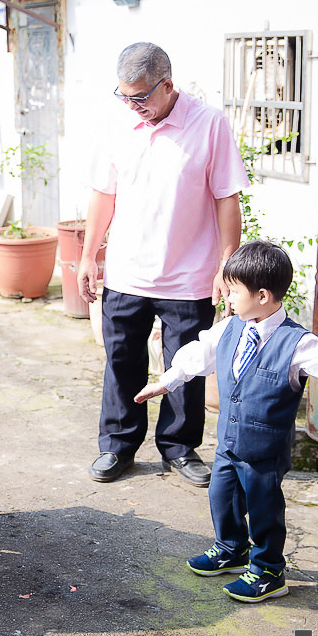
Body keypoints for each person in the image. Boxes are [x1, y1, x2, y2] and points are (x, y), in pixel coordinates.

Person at [136, 240, 318, 602]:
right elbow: (199, 354)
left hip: (265, 453)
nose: (227, 298)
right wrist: (166, 380)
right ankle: (230, 548)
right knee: (222, 496)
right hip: (228, 444)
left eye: (233, 290)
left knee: (265, 509)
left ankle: (269, 570)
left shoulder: (298, 344)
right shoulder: (230, 328)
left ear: (264, 295)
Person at [78, 42, 248, 487]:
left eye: (141, 98)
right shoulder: (118, 123)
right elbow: (103, 194)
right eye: (124, 96)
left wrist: (226, 267)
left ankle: (179, 447)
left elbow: (227, 197)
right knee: (121, 360)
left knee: (186, 365)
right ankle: (117, 445)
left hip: (189, 274)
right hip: (127, 271)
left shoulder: (209, 124)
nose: (133, 107)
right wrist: (88, 255)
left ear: (168, 86)